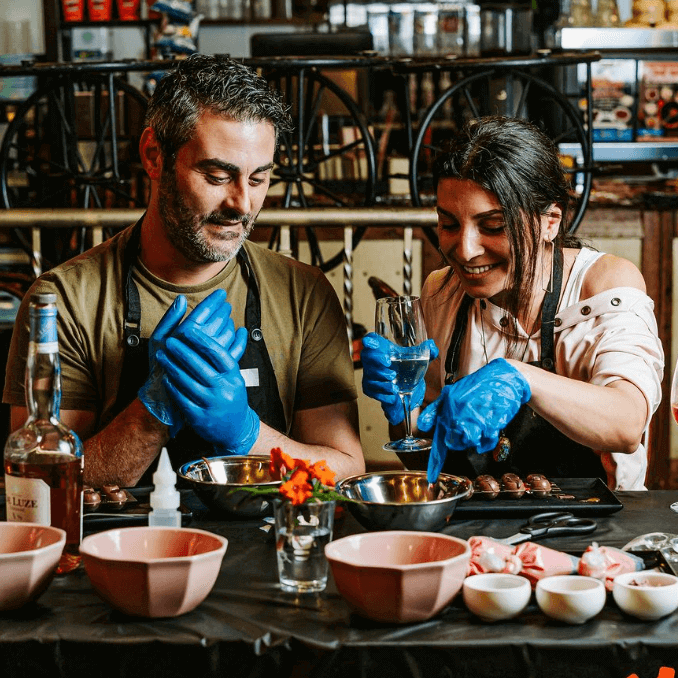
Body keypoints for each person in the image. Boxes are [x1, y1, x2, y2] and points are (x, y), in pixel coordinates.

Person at [3, 54, 365, 487]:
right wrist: (152, 412)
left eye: (258, 179)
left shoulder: (302, 294)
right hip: (125, 549)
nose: (242, 204)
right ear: (154, 155)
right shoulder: (64, 302)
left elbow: (346, 469)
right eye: (217, 176)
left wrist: (246, 433)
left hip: (272, 548)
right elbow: (41, 486)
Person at [362, 116, 663, 491]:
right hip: (477, 535)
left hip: (591, 530)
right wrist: (403, 415)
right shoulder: (442, 292)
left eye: (493, 226)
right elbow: (428, 463)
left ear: (550, 221)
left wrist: (522, 377)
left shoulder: (602, 285)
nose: (465, 250)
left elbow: (627, 424)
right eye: (449, 224)